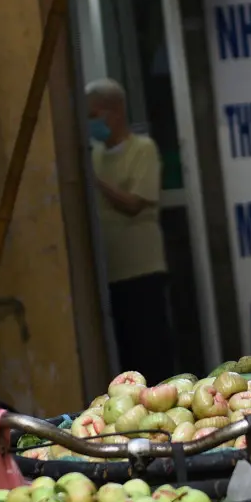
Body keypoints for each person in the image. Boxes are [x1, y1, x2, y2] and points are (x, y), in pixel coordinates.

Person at [86, 78, 177, 380]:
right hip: (111, 273)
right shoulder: (96, 156)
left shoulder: (142, 149)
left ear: (115, 112)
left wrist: (95, 181)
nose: (90, 123)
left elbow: (134, 203)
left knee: (151, 351)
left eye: (93, 115)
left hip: (143, 270)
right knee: (126, 359)